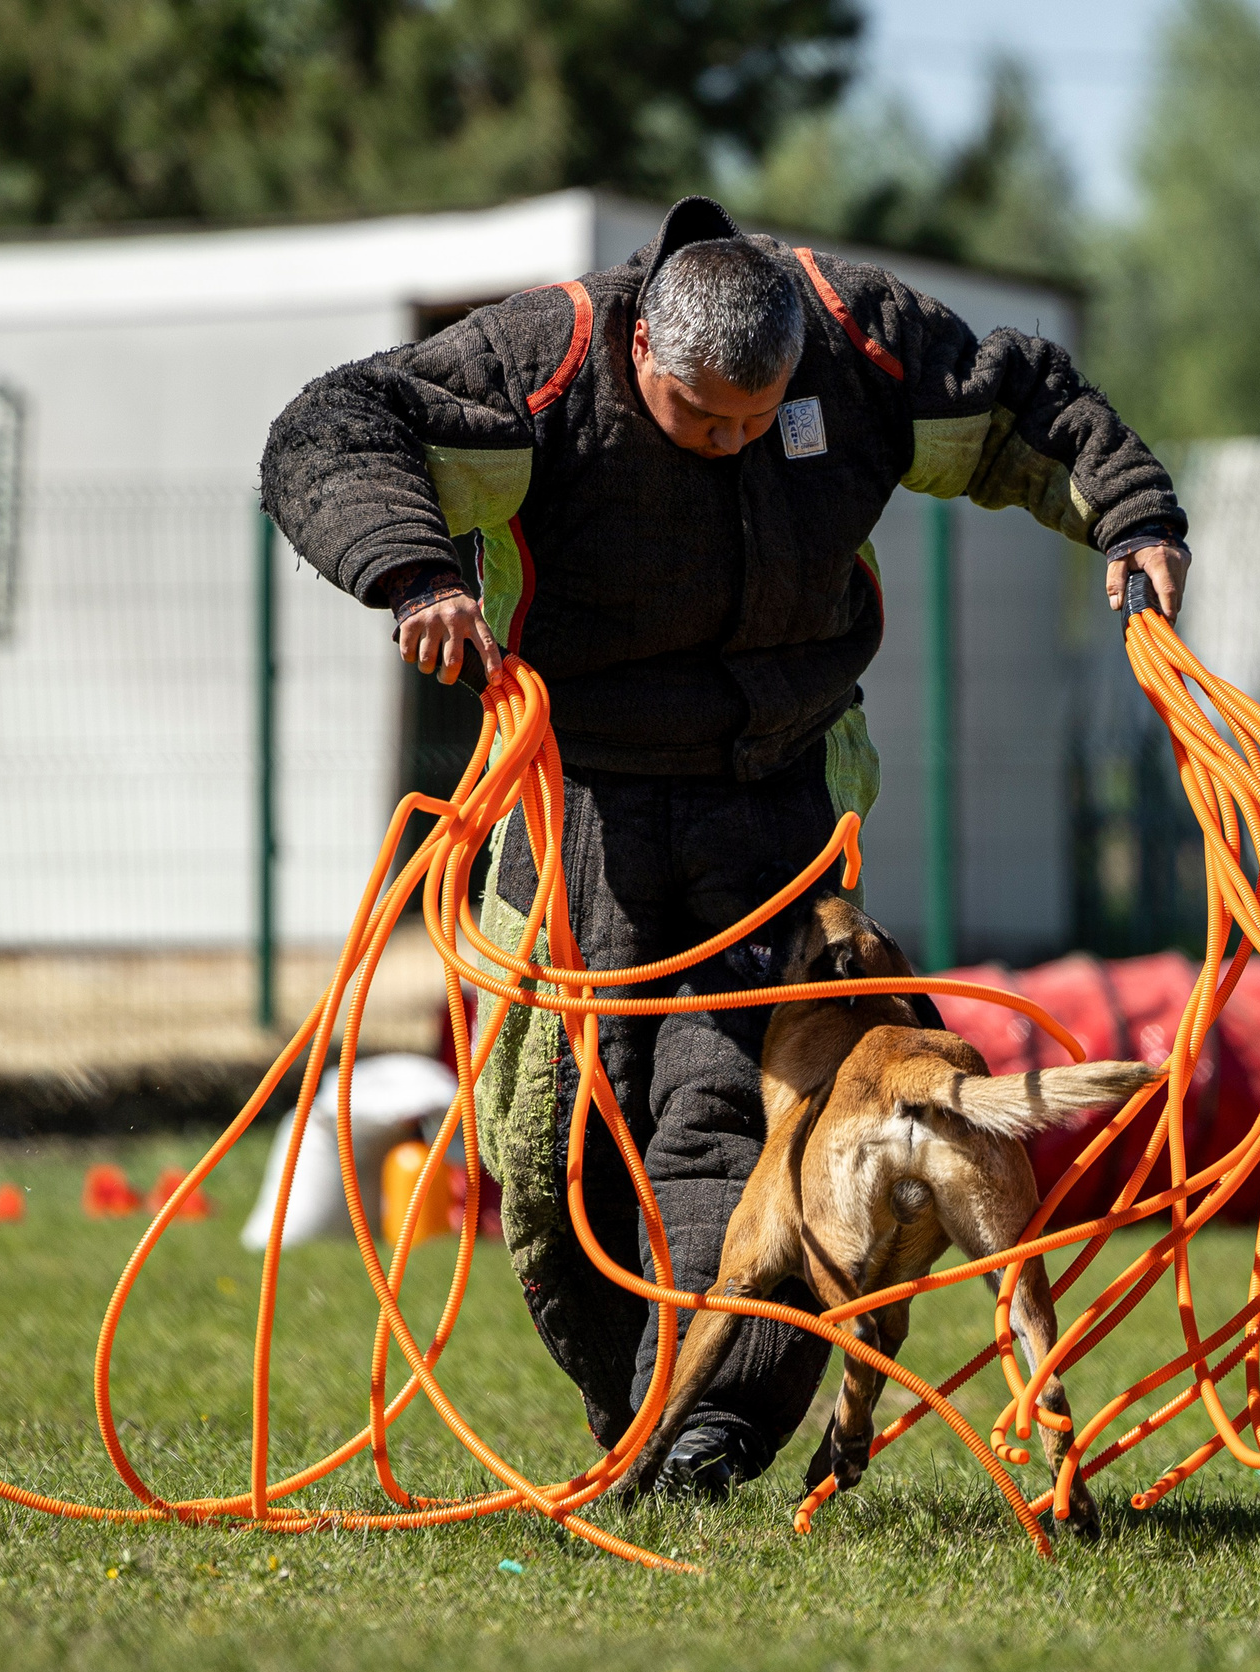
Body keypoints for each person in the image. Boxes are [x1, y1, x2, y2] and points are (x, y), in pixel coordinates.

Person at [261, 195, 1190, 1498]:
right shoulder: (547, 363)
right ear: (644, 348)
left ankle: (711, 1429)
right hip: (579, 803)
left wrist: (1133, 516)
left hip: (778, 803)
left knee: (726, 1121)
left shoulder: (860, 343)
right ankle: (638, 1406)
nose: (732, 443)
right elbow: (334, 427)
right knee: (556, 1149)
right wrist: (414, 572)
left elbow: (1023, 405)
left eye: (760, 422)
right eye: (703, 419)